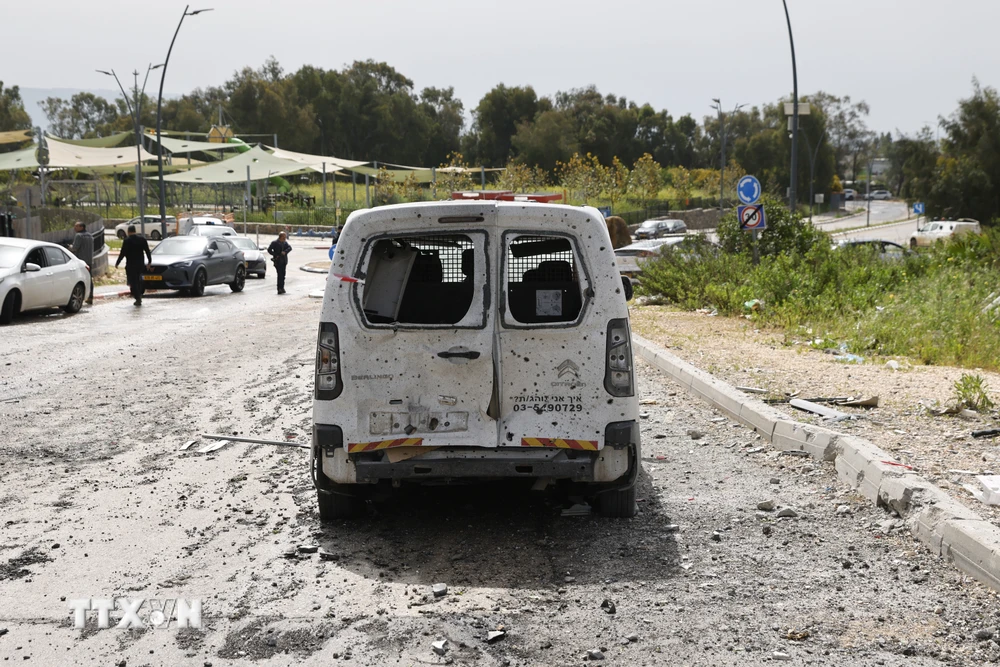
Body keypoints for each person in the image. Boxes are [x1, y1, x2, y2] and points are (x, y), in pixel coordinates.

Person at [115, 225, 152, 306]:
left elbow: (123, 253)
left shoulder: (127, 240)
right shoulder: (142, 239)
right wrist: (149, 261)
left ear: (128, 231)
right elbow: (147, 251)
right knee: (138, 281)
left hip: (131, 265)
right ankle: (139, 295)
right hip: (140, 264)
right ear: (135, 231)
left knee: (133, 281)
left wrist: (117, 262)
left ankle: (138, 297)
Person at [70, 221, 95, 305]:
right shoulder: (90, 236)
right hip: (89, 261)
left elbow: (75, 248)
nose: (75, 228)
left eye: (76, 226)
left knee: (77, 279)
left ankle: (77, 297)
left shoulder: (78, 236)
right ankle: (90, 296)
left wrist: (69, 247)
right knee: (89, 279)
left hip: (80, 262)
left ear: (82, 227)